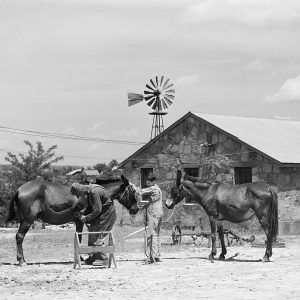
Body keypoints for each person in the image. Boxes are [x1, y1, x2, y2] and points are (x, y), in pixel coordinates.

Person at [70, 182, 117, 265]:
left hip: (107, 214)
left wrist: (86, 218)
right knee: (92, 232)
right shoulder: (90, 192)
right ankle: (93, 257)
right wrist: (83, 212)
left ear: (81, 190)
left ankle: (103, 259)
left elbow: (98, 210)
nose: (80, 196)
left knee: (97, 234)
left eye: (79, 194)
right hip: (103, 213)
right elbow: (92, 207)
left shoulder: (94, 192)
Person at [137, 173, 163, 264]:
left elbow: (139, 191)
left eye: (148, 183)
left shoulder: (153, 188)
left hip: (154, 213)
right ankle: (157, 255)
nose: (147, 184)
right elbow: (151, 201)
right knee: (157, 234)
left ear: (153, 181)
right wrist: (144, 204)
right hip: (158, 213)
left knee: (152, 234)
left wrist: (131, 186)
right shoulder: (158, 189)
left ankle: (153, 256)